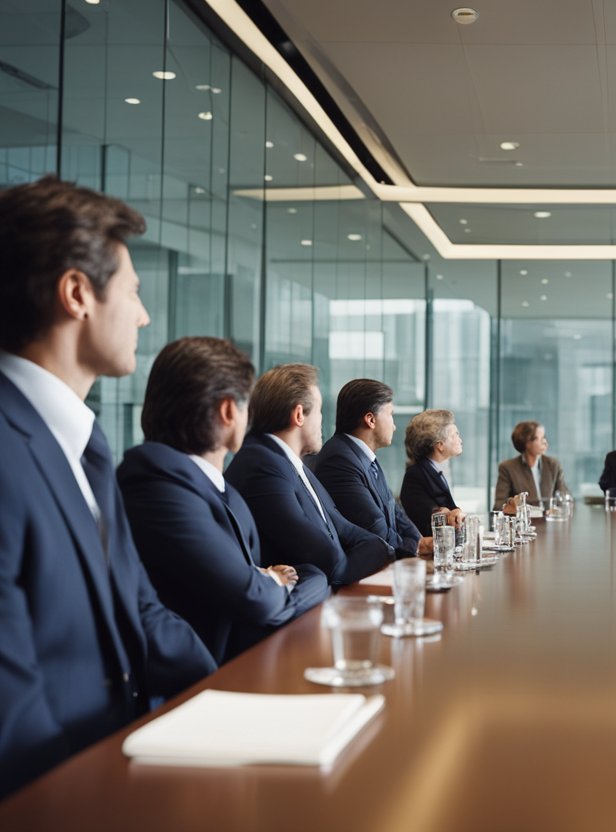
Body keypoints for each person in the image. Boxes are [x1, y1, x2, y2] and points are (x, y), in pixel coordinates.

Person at [0, 177, 214, 797]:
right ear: (77, 294)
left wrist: (225, 691)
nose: (144, 316)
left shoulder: (81, 444)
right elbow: (14, 720)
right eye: (133, 292)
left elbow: (138, 605)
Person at [117, 337, 328, 663]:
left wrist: (273, 581)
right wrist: (274, 581)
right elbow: (254, 599)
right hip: (203, 680)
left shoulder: (210, 484)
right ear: (229, 411)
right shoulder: (156, 485)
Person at [225, 364, 395, 586]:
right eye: (320, 410)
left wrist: (382, 548)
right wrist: (380, 550)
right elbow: (331, 563)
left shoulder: (294, 465)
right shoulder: (262, 465)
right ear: (298, 415)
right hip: (294, 614)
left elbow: (343, 528)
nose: (322, 420)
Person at [311, 378, 429, 557]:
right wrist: (418, 547)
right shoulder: (339, 459)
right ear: (370, 420)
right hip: (362, 571)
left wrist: (420, 542)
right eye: (390, 414)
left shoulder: (363, 455)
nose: (395, 425)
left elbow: (395, 510)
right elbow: (375, 527)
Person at [400, 409, 466, 534]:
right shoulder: (415, 475)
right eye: (455, 435)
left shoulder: (435, 471)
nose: (460, 440)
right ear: (440, 445)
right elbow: (429, 521)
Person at [493, 420, 569, 512]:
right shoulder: (507, 468)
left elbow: (564, 497)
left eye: (544, 437)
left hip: (549, 521)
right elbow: (499, 505)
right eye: (539, 438)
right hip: (524, 522)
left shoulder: (553, 465)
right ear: (527, 443)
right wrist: (514, 506)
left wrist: (557, 509)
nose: (544, 442)